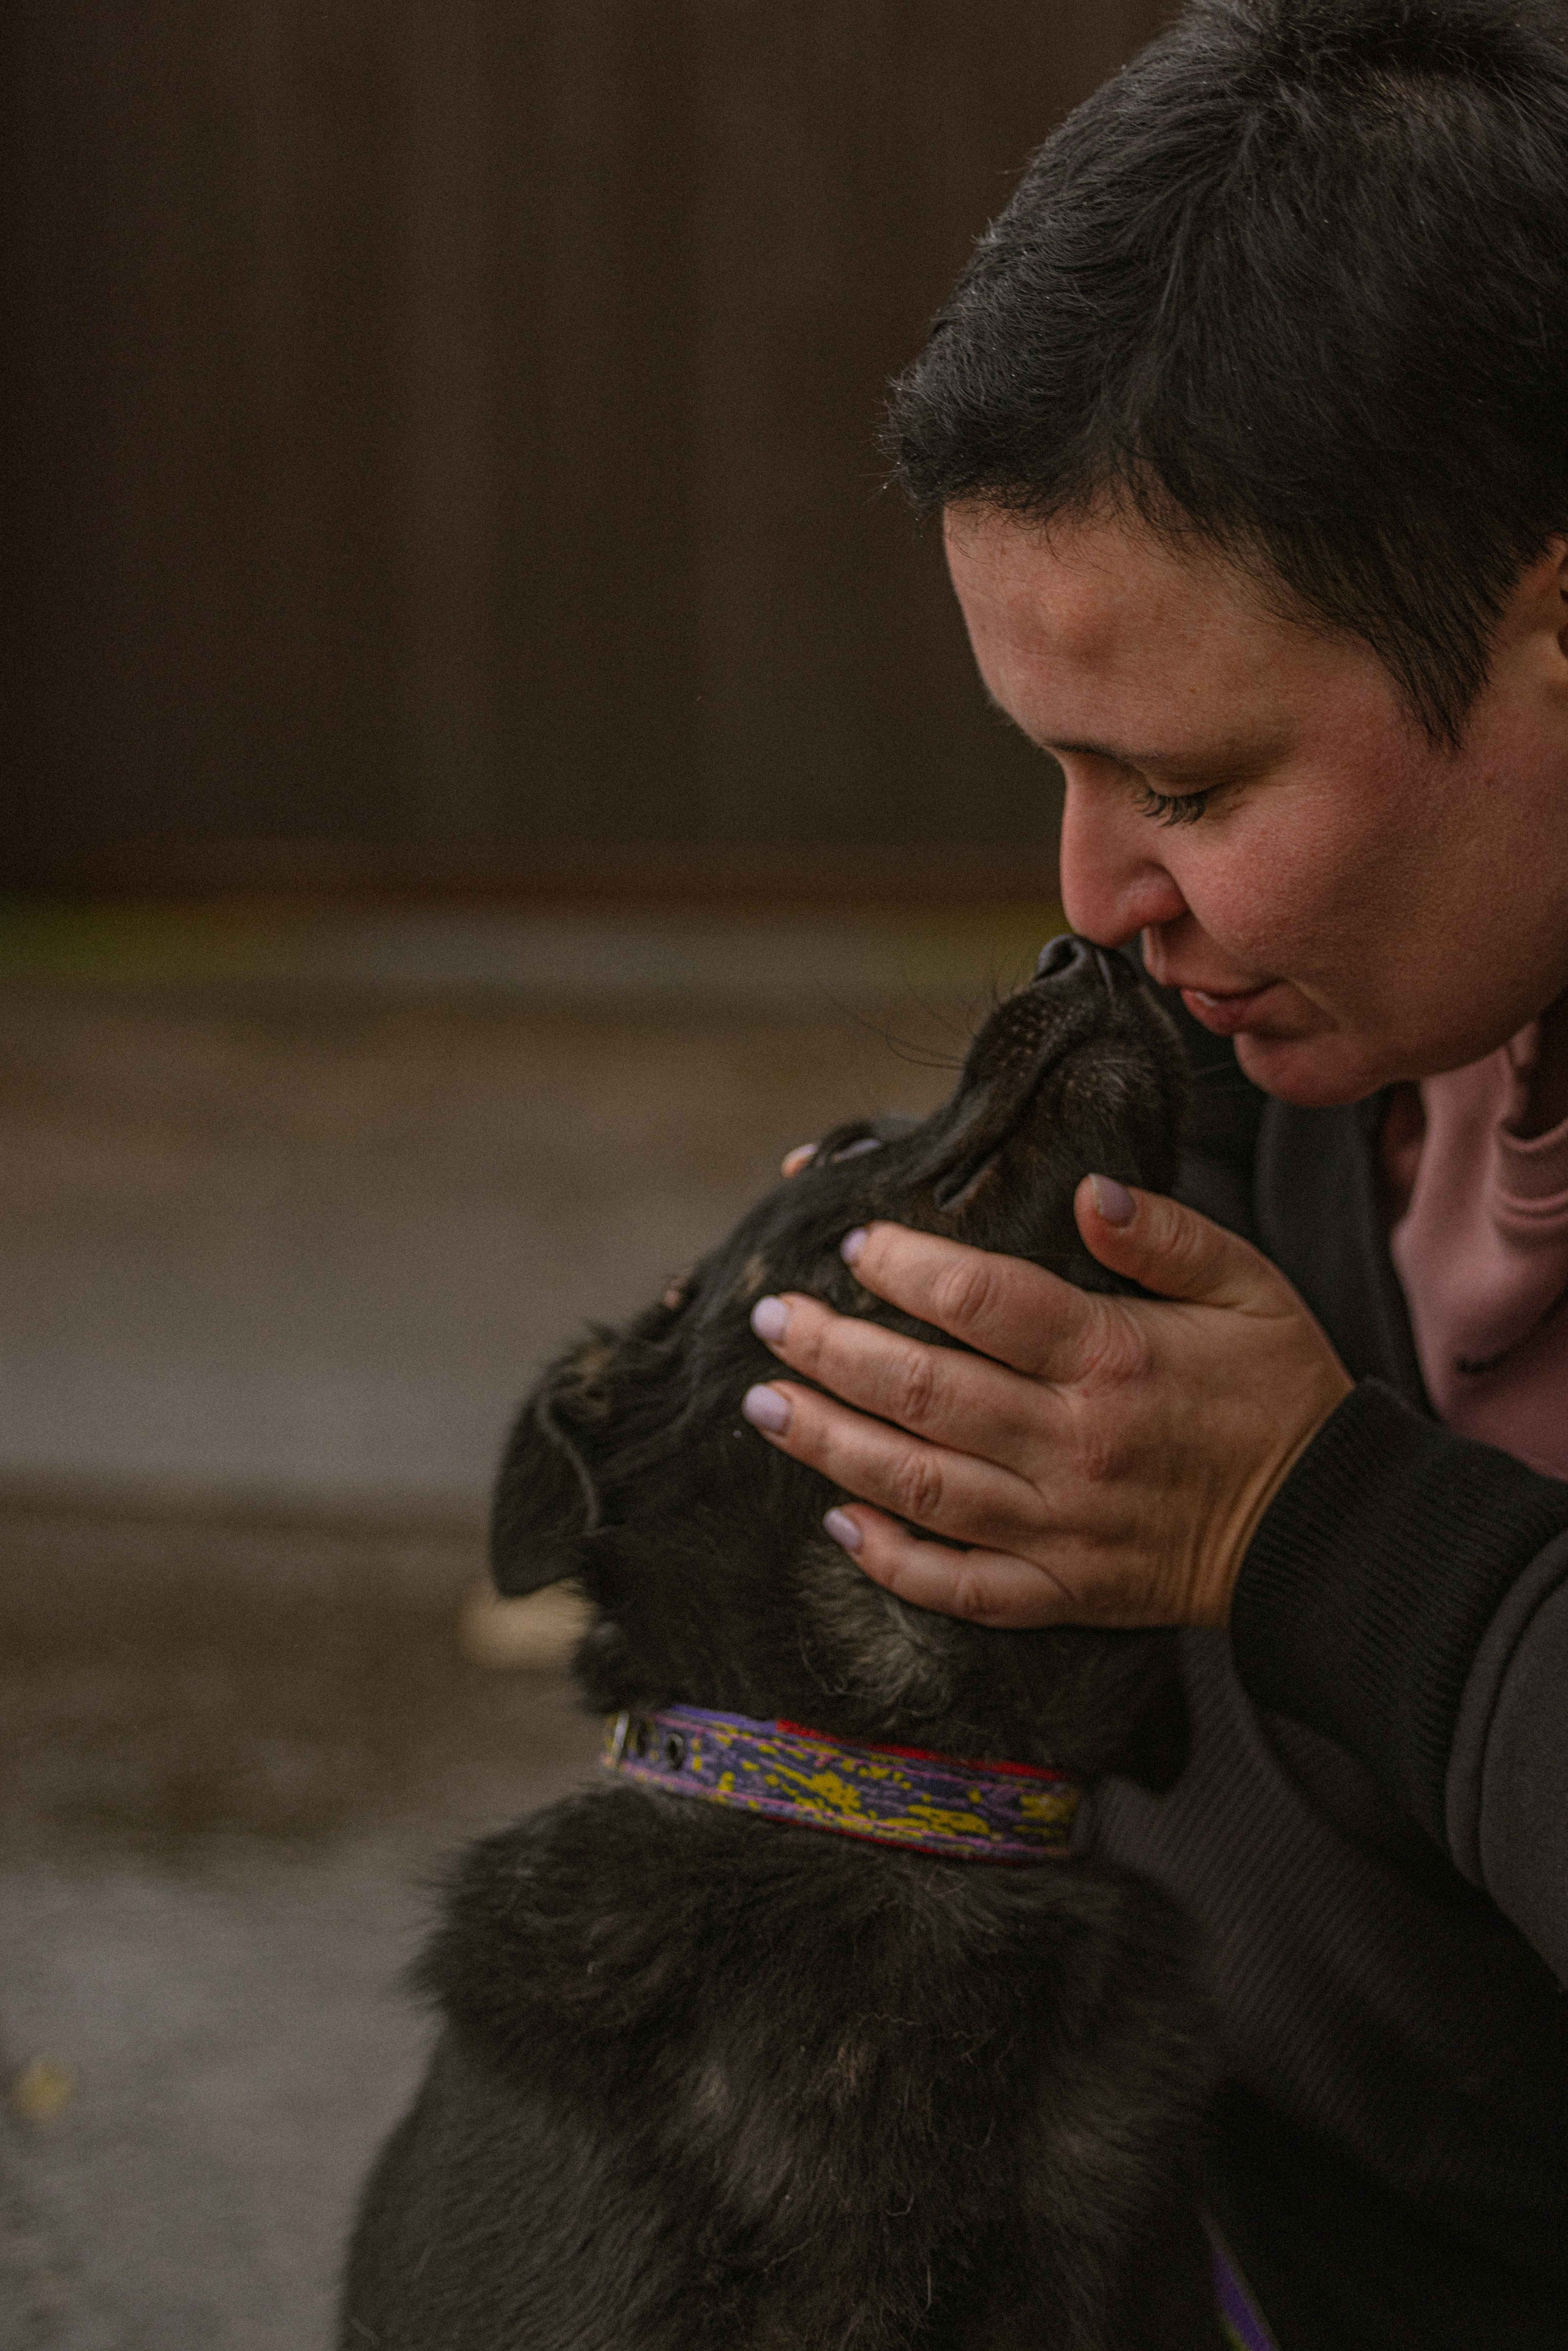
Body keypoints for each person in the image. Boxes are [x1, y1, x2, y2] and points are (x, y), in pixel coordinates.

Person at [736, 3, 1568, 2344]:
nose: (1098, 891)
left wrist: (1305, 1528)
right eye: (1061, 771)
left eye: (1188, 790)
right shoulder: (1326, 1017)